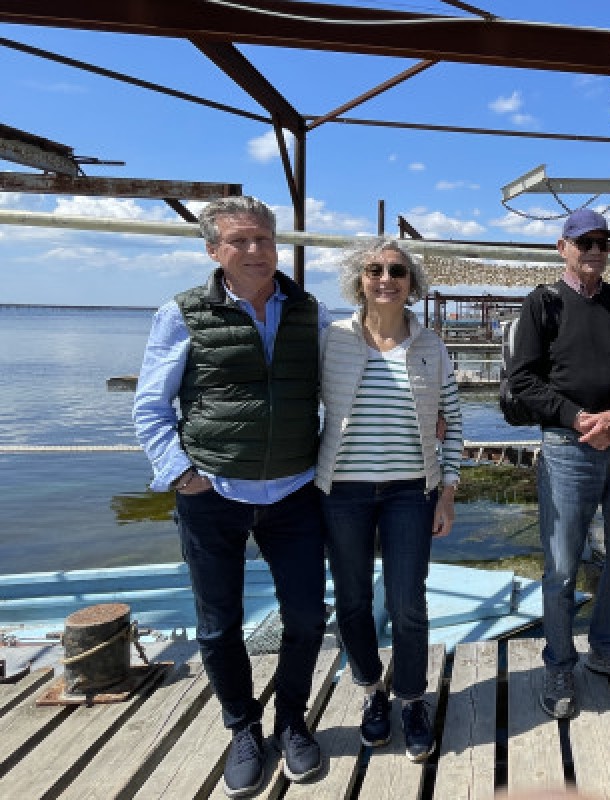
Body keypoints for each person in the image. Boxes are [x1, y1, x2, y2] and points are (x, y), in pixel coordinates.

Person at [132, 196, 329, 797]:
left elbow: (347, 379)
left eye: (263, 240)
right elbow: (150, 407)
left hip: (295, 490)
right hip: (213, 490)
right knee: (218, 624)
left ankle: (292, 719)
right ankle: (242, 726)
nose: (254, 251)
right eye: (239, 241)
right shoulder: (183, 313)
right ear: (213, 250)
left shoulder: (307, 310)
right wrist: (180, 473)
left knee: (305, 615)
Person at [316, 238, 463, 761]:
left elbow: (454, 422)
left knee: (408, 601)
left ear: (411, 283)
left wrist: (447, 491)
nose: (386, 278)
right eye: (374, 269)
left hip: (411, 491)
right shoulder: (332, 339)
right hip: (344, 492)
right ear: (359, 279)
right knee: (352, 600)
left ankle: (413, 700)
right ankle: (371, 692)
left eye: (397, 270)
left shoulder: (432, 346)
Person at [508, 207, 610, 719]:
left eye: (602, 241)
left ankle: (607, 650)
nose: (594, 248)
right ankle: (559, 661)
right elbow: (523, 379)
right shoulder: (543, 303)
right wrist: (577, 418)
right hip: (568, 448)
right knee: (563, 565)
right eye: (584, 241)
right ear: (562, 247)